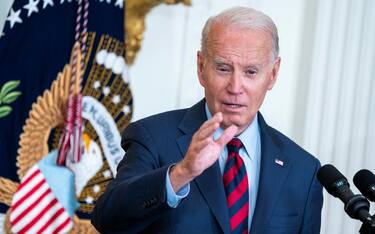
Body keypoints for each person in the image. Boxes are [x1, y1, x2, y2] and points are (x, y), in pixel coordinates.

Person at [91, 6, 323, 234]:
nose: (235, 87)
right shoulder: (152, 137)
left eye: (251, 72)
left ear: (272, 74)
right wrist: (181, 173)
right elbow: (107, 219)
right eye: (223, 69)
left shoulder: (304, 171)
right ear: (201, 68)